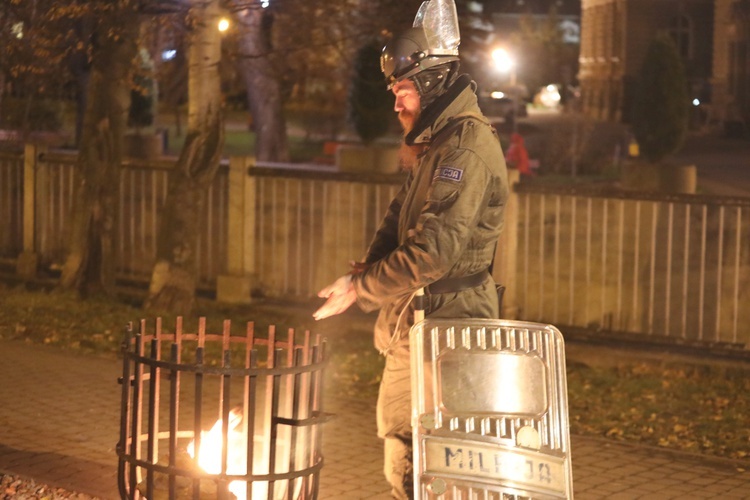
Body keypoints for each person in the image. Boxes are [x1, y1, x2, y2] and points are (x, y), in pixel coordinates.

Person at [312, 2, 509, 498]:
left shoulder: (463, 148)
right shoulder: (436, 142)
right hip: (416, 321)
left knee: (439, 465)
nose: (396, 104)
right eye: (395, 91)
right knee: (404, 454)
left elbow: (433, 253)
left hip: (451, 326)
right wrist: (360, 279)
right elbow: (398, 219)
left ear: (434, 83)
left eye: (403, 91)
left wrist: (363, 286)